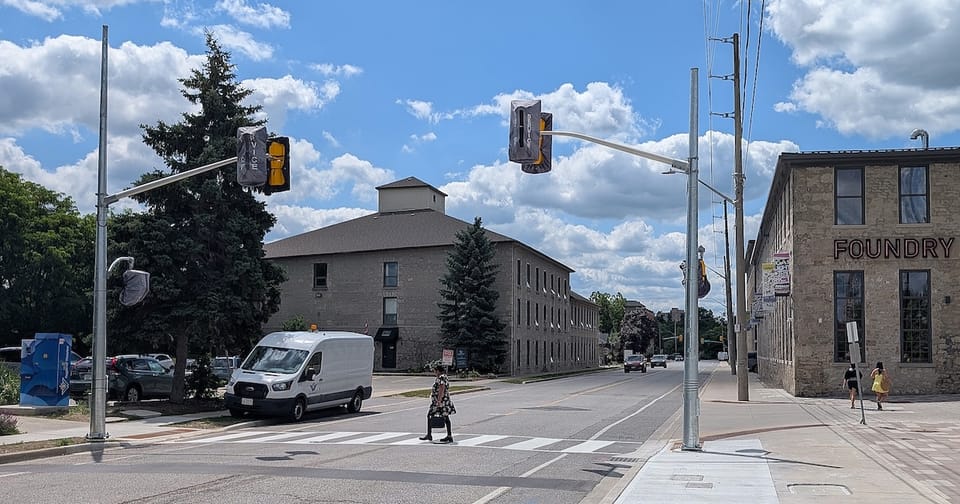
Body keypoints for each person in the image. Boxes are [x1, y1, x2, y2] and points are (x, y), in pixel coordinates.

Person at [419, 363, 456, 443]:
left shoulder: (441, 377)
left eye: (435, 371)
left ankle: (429, 435)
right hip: (444, 400)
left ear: (438, 371)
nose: (434, 373)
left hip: (440, 401)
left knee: (429, 415)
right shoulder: (444, 377)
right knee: (446, 417)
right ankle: (449, 436)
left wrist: (439, 401)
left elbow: (441, 388)